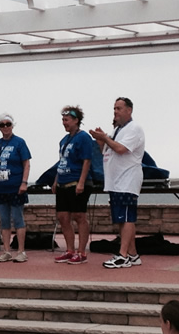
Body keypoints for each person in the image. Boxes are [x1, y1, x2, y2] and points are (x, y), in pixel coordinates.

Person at [90, 97, 145, 269]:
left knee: (127, 218)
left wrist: (105, 138)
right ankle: (133, 254)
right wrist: (101, 141)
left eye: (119, 108)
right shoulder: (116, 131)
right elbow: (108, 152)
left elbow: (121, 149)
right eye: (114, 108)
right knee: (122, 219)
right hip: (115, 182)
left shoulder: (134, 129)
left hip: (127, 180)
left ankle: (123, 255)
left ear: (129, 110)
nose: (115, 112)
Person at [0, 113, 31, 263]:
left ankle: (21, 251)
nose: (5, 127)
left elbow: (26, 163)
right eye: (2, 125)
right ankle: (6, 251)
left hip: (15, 186)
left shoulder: (19, 142)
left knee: (18, 218)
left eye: (8, 124)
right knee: (4, 220)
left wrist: (24, 182)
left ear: (12, 125)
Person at [53, 106, 93, 265]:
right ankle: (69, 250)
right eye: (63, 120)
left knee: (79, 216)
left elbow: (87, 160)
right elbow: (62, 161)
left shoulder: (84, 137)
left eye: (67, 120)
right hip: (63, 181)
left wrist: (81, 182)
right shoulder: (63, 140)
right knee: (63, 217)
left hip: (77, 181)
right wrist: (56, 180)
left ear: (76, 120)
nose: (64, 123)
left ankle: (82, 252)